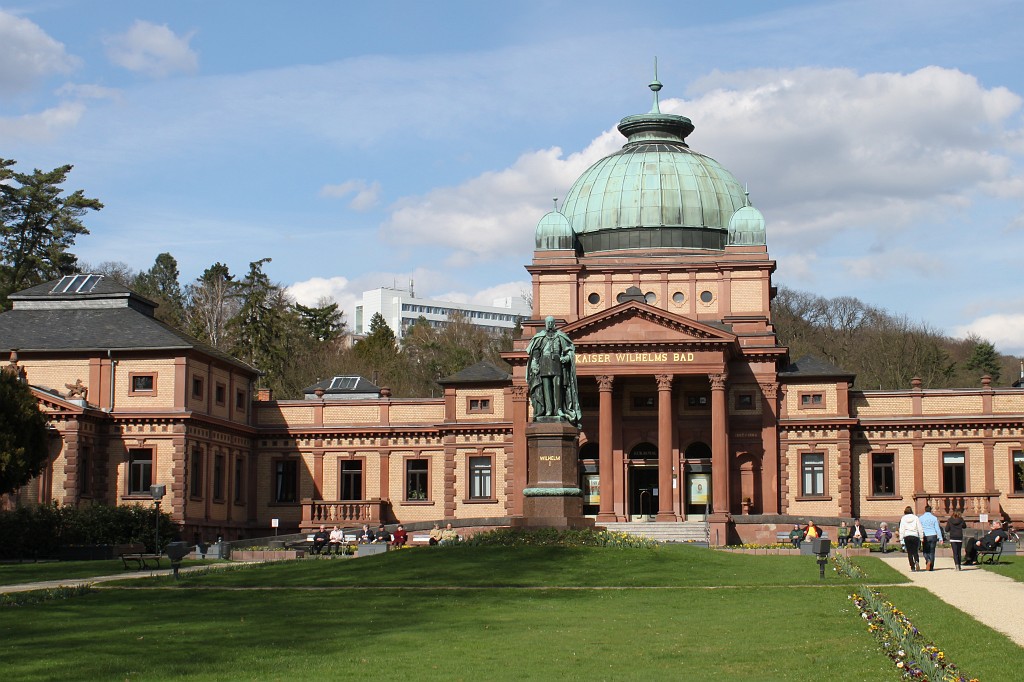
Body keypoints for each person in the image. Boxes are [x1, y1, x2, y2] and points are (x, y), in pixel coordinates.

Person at [526, 315, 581, 427]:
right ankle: (549, 410)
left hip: (557, 364)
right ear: (545, 324)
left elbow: (569, 351)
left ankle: (558, 409)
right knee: (546, 388)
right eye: (548, 322)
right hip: (544, 364)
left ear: (554, 324)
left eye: (551, 322)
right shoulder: (540, 337)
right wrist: (535, 363)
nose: (550, 324)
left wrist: (566, 358)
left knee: (558, 387)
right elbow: (535, 351)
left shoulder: (560, 336)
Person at [898, 506, 924, 571]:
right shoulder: (916, 517)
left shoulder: (903, 518)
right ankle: (917, 561)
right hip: (915, 535)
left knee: (909, 552)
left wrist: (901, 539)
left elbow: (901, 529)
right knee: (915, 551)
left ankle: (912, 566)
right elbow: (919, 528)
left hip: (907, 536)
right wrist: (921, 537)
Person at [918, 504, 943, 571]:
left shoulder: (921, 518)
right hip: (933, 535)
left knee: (925, 551)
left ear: (925, 510)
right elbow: (937, 528)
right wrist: (940, 538)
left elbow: (919, 528)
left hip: (925, 536)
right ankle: (931, 567)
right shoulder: (934, 518)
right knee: (932, 552)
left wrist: (919, 536)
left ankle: (928, 560)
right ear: (931, 510)